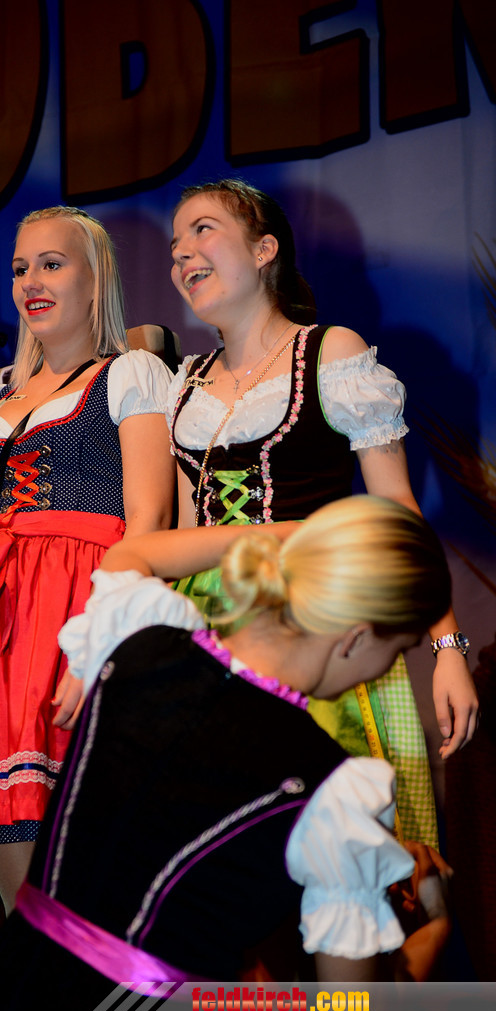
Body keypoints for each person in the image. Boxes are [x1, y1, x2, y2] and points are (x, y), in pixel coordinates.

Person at [0, 495, 454, 1011]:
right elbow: (348, 1009)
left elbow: (137, 554)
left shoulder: (138, 640)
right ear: (356, 638)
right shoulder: (331, 788)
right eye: (395, 652)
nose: (383, 671)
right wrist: (437, 926)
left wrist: (302, 539)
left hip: (11, 985)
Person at [166, 179, 478, 846]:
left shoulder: (331, 353)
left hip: (323, 617)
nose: (182, 252)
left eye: (202, 230)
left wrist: (447, 648)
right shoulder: (183, 382)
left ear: (264, 250)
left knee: (340, 839)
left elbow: (398, 511)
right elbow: (188, 533)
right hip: (212, 635)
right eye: (174, 244)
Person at [0, 206, 174, 915]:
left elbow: (149, 522)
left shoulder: (130, 375)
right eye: (19, 269)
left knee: (92, 875)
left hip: (81, 615)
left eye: (51, 265)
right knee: (20, 896)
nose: (31, 281)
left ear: (96, 279)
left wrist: (95, 647)